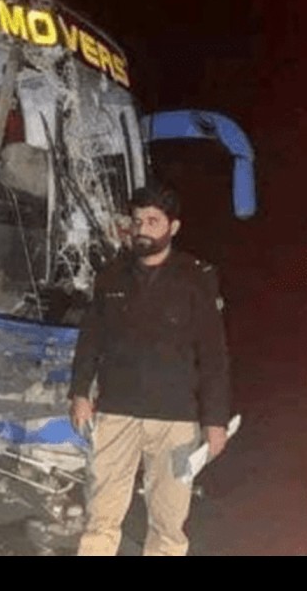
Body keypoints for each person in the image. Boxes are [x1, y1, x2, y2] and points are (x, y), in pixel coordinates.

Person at [68, 184, 231, 556]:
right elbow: (90, 339)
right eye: (137, 220)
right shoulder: (110, 276)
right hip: (116, 412)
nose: (142, 228)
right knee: (101, 517)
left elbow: (213, 355)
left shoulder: (195, 278)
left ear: (173, 227)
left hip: (175, 420)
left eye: (153, 221)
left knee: (169, 523)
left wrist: (215, 420)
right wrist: (80, 392)